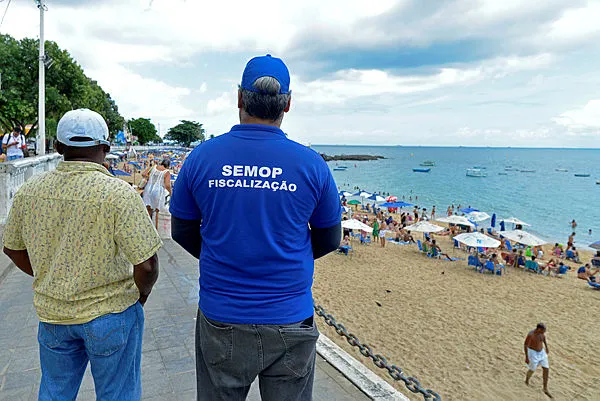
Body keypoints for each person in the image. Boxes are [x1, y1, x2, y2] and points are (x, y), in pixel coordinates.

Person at [169, 55, 342, 400]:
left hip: (222, 318)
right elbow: (328, 238)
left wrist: (223, 253)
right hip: (290, 318)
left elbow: (182, 230)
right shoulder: (311, 165)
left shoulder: (202, 158)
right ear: (288, 104)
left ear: (239, 99)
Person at [2, 109, 162, 400]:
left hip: (54, 317)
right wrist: (141, 297)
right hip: (110, 314)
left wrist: (47, 273)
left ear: (59, 148)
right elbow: (148, 264)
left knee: (55, 392)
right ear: (105, 148)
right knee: (118, 394)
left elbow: (11, 248)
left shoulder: (29, 191)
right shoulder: (119, 194)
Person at [142, 158, 172, 229]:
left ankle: (147, 227)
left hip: (148, 189)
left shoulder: (154, 167)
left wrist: (149, 178)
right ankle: (155, 230)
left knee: (148, 210)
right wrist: (171, 193)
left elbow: (143, 174)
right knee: (157, 212)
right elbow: (167, 185)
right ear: (168, 166)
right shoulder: (166, 172)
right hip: (158, 191)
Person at [524, 323, 552, 398]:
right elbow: (525, 345)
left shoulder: (542, 334)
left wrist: (546, 347)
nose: (544, 332)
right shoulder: (531, 335)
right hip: (532, 352)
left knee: (546, 368)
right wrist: (526, 357)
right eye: (543, 330)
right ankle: (527, 380)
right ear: (539, 329)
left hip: (541, 352)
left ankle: (545, 388)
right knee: (532, 369)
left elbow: (544, 339)